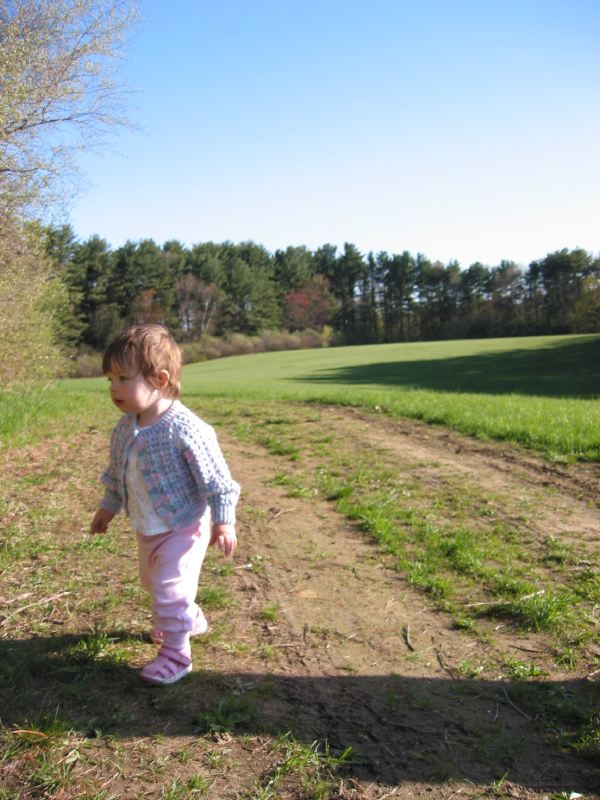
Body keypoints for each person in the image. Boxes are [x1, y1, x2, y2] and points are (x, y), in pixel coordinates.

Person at [90, 324, 240, 686]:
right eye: (109, 379)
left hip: (184, 525)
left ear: (159, 379)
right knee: (153, 582)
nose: (113, 388)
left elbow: (218, 481)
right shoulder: (125, 429)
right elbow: (117, 476)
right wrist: (107, 509)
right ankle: (189, 617)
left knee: (169, 587)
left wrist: (224, 522)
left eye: (123, 378)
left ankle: (177, 653)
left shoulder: (187, 429)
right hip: (147, 527)